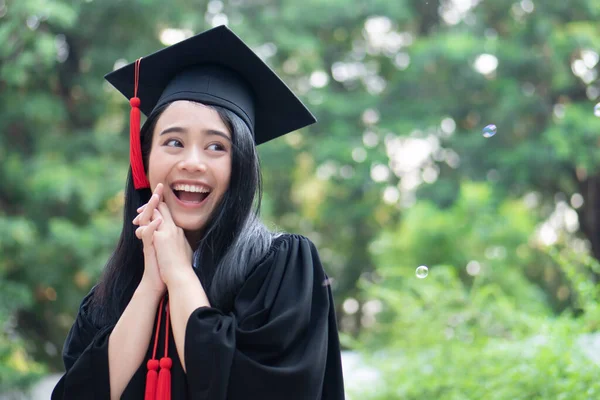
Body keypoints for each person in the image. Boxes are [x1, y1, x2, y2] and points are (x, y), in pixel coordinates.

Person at [51, 25, 346, 400]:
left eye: (216, 147)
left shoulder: (281, 271)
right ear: (144, 158)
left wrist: (179, 274)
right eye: (173, 142)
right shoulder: (111, 296)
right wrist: (151, 284)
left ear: (240, 165)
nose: (192, 162)